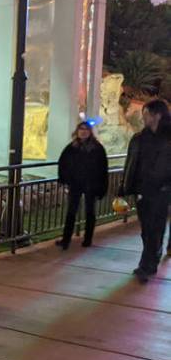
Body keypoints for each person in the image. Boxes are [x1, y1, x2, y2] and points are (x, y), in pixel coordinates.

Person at [119, 99, 171, 282]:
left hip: (162, 191)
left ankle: (147, 265)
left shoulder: (168, 138)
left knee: (155, 228)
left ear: (157, 115)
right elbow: (130, 164)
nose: (144, 117)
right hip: (142, 190)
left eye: (146, 113)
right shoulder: (139, 138)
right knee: (146, 229)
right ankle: (152, 256)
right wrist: (124, 186)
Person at [56, 120, 109, 249]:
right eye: (81, 129)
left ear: (90, 132)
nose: (83, 132)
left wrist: (102, 187)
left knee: (90, 212)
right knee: (71, 212)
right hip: (76, 184)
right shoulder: (71, 147)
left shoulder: (97, 148)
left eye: (86, 129)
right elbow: (63, 163)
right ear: (77, 131)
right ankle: (66, 239)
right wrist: (64, 178)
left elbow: (103, 168)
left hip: (91, 184)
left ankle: (87, 239)